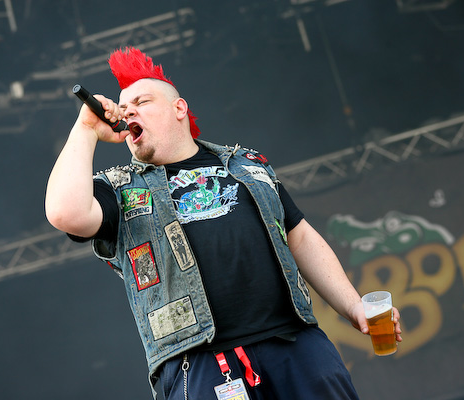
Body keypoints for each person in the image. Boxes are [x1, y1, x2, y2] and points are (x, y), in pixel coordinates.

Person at [45, 47, 402, 400]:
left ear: (179, 108)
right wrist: (86, 128)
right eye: (124, 109)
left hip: (296, 345)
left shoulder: (247, 164)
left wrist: (353, 306)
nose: (129, 111)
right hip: (199, 360)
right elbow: (64, 213)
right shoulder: (120, 187)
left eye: (142, 101)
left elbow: (300, 237)